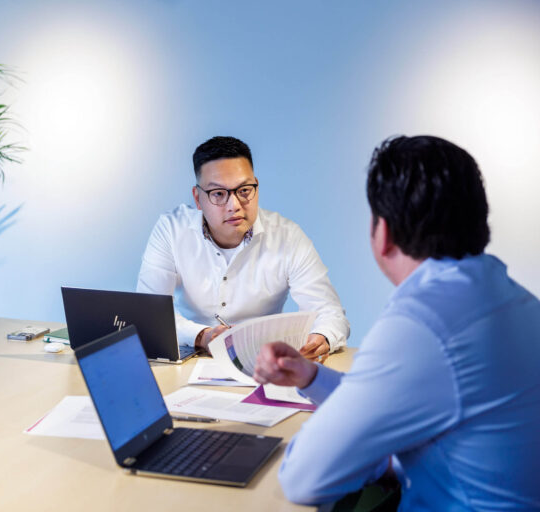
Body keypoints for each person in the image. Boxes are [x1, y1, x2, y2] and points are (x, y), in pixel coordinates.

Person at [255, 135, 540, 510]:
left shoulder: (422, 325)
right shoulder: (513, 299)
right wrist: (312, 377)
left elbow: (304, 479)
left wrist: (368, 453)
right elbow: (410, 396)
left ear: (383, 233)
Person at [137, 136, 349, 361]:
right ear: (198, 198)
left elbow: (330, 313)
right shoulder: (171, 229)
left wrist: (320, 337)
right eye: (218, 194)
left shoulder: (288, 237)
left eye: (245, 190)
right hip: (193, 356)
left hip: (264, 364)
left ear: (256, 186)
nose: (234, 205)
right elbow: (150, 314)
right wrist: (202, 335)